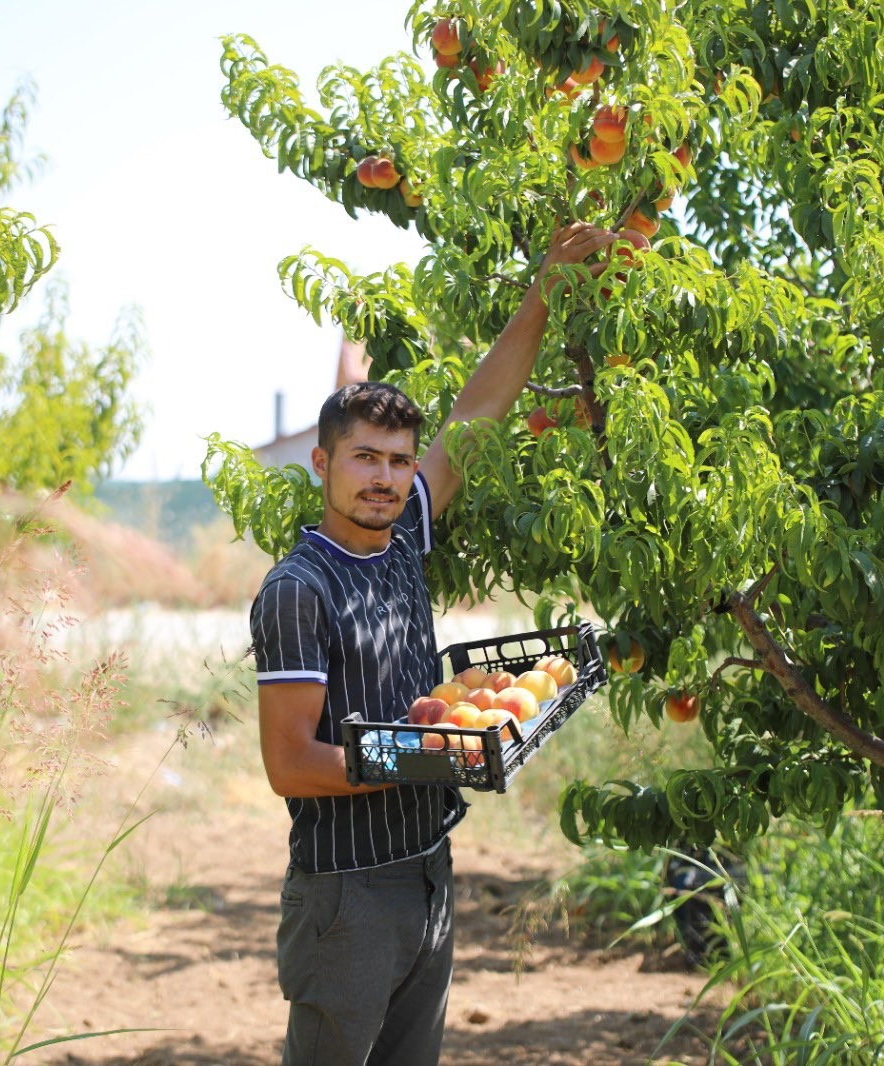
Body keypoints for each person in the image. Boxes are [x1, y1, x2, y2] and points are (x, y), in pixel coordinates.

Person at [249, 221, 621, 1066]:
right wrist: (418, 754)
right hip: (347, 894)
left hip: (428, 872)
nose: (384, 478)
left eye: (400, 462)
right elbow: (288, 763)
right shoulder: (298, 591)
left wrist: (545, 289)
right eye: (365, 459)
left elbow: (480, 409)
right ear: (321, 463)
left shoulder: (408, 534)